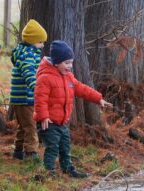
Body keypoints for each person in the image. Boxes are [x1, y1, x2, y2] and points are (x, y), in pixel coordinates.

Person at [34, 40, 112, 178]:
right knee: (52, 147)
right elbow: (40, 99)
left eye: (71, 62)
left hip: (62, 122)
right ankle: (49, 171)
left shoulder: (68, 76)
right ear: (57, 62)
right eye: (66, 63)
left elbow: (82, 89)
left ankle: (67, 169)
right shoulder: (45, 77)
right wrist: (43, 116)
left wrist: (98, 98)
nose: (70, 66)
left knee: (65, 146)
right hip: (48, 122)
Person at [9, 19, 47, 160]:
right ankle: (31, 154)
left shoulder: (24, 52)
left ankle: (18, 152)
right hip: (25, 97)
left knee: (23, 126)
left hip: (20, 98)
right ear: (31, 41)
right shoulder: (28, 56)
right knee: (30, 127)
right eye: (40, 42)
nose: (42, 45)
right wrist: (37, 88)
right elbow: (29, 74)